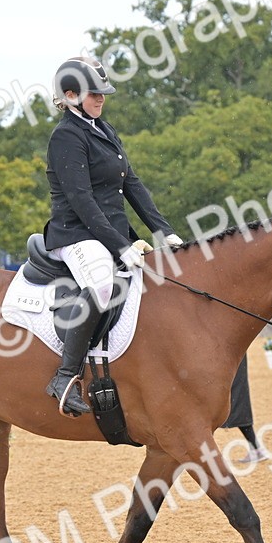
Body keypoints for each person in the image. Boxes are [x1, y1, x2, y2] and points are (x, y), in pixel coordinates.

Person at [43, 56, 184, 416]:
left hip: (108, 231)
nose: (101, 98)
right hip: (75, 234)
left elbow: (131, 183)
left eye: (103, 93)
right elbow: (81, 200)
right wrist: (120, 245)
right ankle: (64, 375)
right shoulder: (66, 136)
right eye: (94, 93)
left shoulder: (103, 129)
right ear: (70, 95)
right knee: (103, 286)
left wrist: (163, 230)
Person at [223, 355, 267, 461]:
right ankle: (257, 449)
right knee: (239, 405)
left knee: (238, 405)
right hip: (232, 360)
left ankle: (257, 449)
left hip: (229, 361)